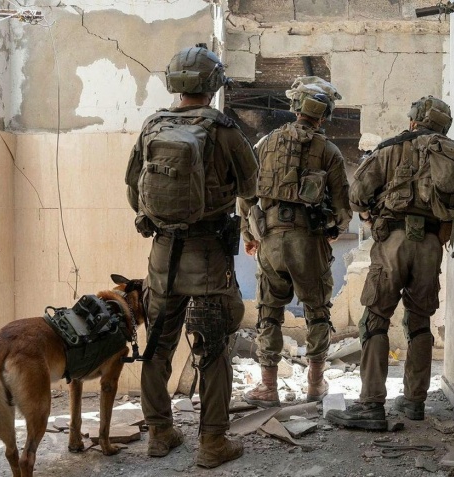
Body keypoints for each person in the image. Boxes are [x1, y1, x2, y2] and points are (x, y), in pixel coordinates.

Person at [124, 45, 257, 467]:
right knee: (212, 347)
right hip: (209, 256)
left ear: (174, 83)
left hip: (162, 255)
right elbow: (251, 187)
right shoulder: (224, 130)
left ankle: (159, 433)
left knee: (157, 345)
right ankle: (213, 442)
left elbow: (133, 190)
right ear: (213, 83)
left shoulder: (152, 126)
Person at [326, 96, 454, 429]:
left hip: (393, 240)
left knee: (375, 320)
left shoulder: (391, 149)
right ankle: (414, 402)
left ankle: (371, 405)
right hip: (432, 244)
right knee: (420, 322)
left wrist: (370, 213)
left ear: (413, 121)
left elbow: (357, 196)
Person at [238, 76, 352, 407]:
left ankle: (268, 387)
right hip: (309, 242)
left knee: (269, 312)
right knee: (317, 311)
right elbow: (342, 207)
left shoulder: (265, 143)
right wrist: (333, 230)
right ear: (325, 115)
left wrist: (249, 236)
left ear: (295, 107)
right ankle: (315, 385)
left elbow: (246, 195)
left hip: (270, 240)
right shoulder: (329, 151)